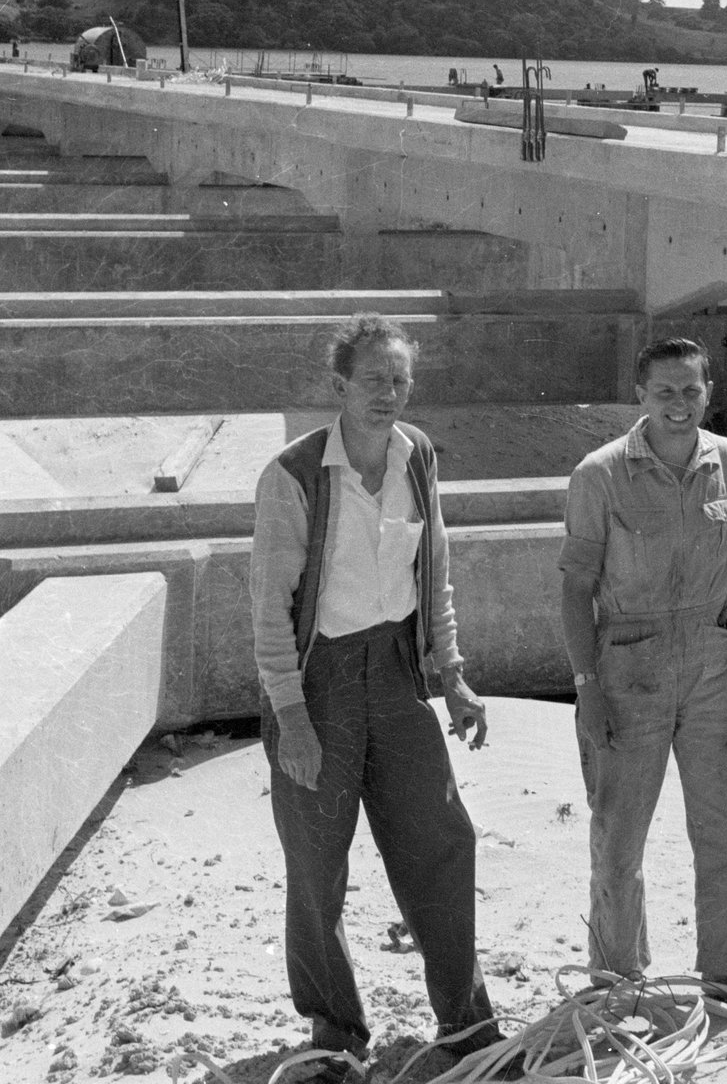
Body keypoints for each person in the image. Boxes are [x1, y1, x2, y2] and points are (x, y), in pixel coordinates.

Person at [250, 314, 503, 1065]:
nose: (388, 394)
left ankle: (466, 1025)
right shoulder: (291, 475)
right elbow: (269, 610)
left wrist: (451, 677)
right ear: (338, 386)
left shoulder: (416, 455)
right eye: (372, 380)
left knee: (442, 841)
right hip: (319, 681)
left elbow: (437, 572)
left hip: (397, 674)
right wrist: (291, 718)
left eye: (400, 380)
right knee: (318, 868)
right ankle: (335, 1039)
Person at [559, 338, 727, 1003]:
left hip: (712, 664)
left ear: (708, 393)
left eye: (690, 391)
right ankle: (615, 979)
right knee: (618, 832)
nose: (678, 405)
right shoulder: (599, 475)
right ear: (640, 395)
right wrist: (586, 687)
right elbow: (576, 588)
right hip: (627, 667)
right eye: (664, 392)